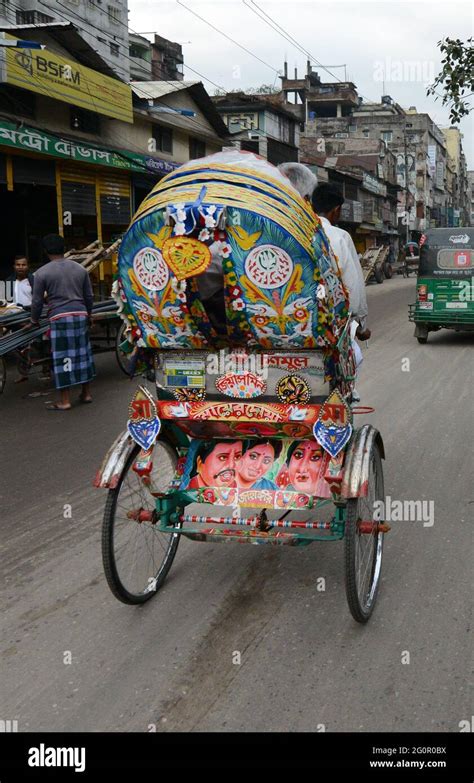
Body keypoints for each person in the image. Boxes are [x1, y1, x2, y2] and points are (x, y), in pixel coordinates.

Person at [30, 234, 95, 411]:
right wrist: (88, 315)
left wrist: (34, 320)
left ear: (45, 251)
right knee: (82, 354)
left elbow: (36, 302)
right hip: (80, 314)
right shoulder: (80, 269)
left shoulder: (41, 273)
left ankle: (65, 401)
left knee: (63, 357)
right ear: (64, 248)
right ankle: (86, 393)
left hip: (59, 317)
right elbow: (89, 296)